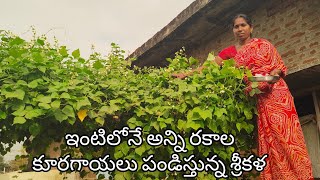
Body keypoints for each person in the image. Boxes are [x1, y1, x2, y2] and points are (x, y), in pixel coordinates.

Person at [174, 14, 314, 179]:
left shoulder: (264, 44)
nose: (240, 29)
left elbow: (277, 67)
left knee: (288, 138)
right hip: (260, 99)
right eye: (236, 26)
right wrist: (186, 74)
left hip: (278, 95)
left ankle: (302, 175)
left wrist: (272, 76)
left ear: (251, 27)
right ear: (233, 30)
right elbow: (207, 68)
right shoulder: (230, 52)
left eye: (243, 25)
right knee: (272, 142)